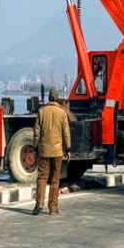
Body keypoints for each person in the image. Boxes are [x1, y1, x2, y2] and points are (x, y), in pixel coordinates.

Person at [32, 87, 71, 216]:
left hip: (44, 151)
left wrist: (35, 147)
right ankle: (53, 207)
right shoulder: (62, 113)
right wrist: (68, 149)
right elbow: (66, 133)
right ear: (57, 98)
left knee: (42, 178)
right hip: (57, 152)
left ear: (49, 97)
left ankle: (39, 204)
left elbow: (36, 132)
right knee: (55, 180)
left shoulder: (41, 112)